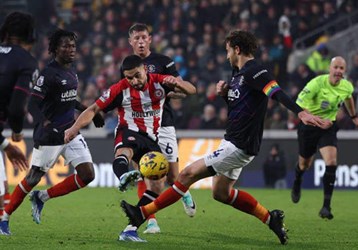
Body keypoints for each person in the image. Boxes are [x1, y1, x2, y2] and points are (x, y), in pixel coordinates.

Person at [120, 30, 331, 245]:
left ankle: (141, 214)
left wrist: (300, 112)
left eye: (228, 50)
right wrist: (225, 96)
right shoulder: (238, 75)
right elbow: (241, 109)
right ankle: (271, 218)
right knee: (221, 193)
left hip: (240, 145)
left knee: (186, 175)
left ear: (237, 49)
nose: (226, 55)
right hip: (232, 141)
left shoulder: (255, 71)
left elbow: (276, 92)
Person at [64, 54, 196, 242]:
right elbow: (93, 109)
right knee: (125, 151)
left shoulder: (160, 82)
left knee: (158, 185)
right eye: (129, 77)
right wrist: (74, 128)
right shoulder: (120, 89)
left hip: (152, 139)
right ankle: (123, 176)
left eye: (137, 75)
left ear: (145, 70)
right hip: (129, 130)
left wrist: (177, 82)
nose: (134, 81)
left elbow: (192, 90)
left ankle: (130, 229)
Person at [0, 29, 104, 236]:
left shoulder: (71, 71)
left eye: (73, 46)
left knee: (88, 175)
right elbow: (32, 104)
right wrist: (47, 123)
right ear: (55, 49)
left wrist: (88, 109)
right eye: (66, 46)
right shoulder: (48, 74)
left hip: (70, 132)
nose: (71, 49)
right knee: (32, 178)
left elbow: (68, 98)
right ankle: (4, 218)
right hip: (50, 135)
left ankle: (42, 197)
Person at [119, 23, 197, 235]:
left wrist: (170, 92)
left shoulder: (164, 62)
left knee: (172, 177)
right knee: (143, 173)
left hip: (163, 124)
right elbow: (124, 95)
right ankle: (150, 220)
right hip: (139, 127)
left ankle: (184, 193)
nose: (141, 42)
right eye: (136, 38)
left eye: (144, 37)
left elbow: (183, 89)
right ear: (130, 42)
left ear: (150, 39)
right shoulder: (126, 66)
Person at [291, 56, 358, 220]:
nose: (338, 71)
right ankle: (298, 178)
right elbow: (299, 104)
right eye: (336, 67)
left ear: (344, 71)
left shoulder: (346, 86)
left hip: (328, 128)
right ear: (330, 68)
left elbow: (349, 97)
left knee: (331, 161)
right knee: (305, 164)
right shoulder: (316, 84)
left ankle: (326, 206)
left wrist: (354, 115)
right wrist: (318, 120)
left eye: (341, 68)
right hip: (309, 126)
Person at [0, 11, 38, 224]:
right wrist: (13, 136)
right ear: (30, 36)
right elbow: (16, 109)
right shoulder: (26, 62)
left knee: (2, 187)